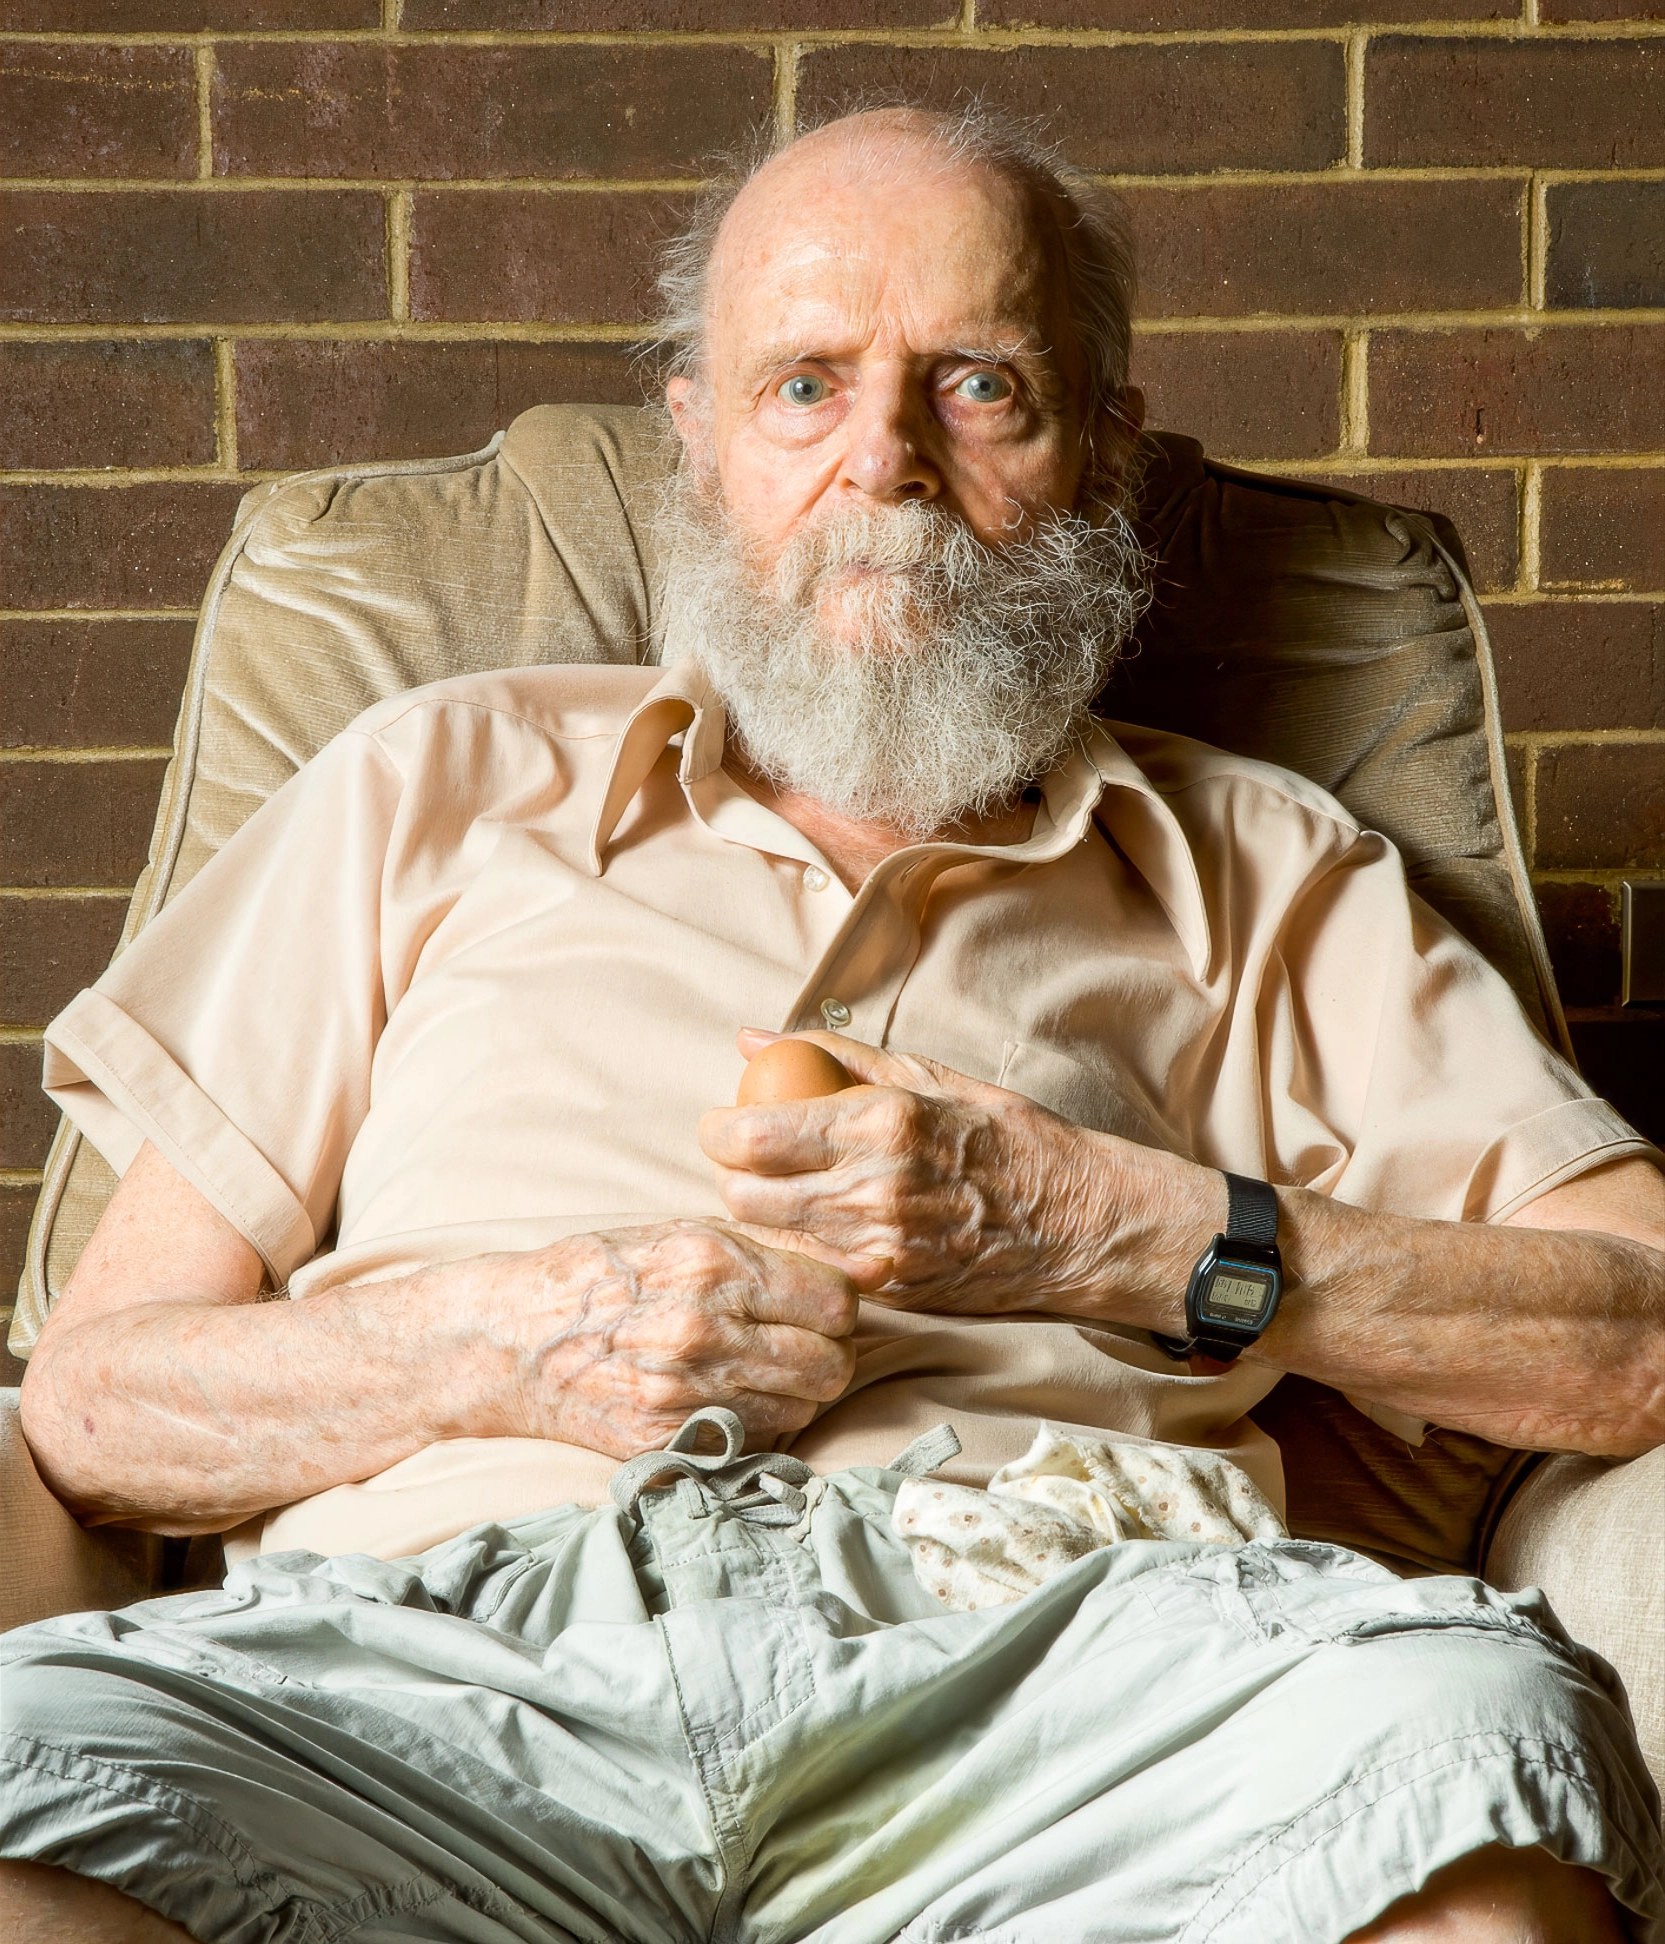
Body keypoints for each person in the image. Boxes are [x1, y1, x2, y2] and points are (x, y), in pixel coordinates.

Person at [3, 105, 1662, 1944]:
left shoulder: (1268, 868)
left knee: (1467, 1750)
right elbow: (95, 1397)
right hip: (439, 1684)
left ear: (1104, 443)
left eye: (978, 386)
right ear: (695, 442)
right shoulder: (437, 782)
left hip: (1081, 1687)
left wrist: (1127, 1232)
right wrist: (504, 1346)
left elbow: (1644, 1333)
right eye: (803, 386)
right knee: (38, 1780)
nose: (882, 463)